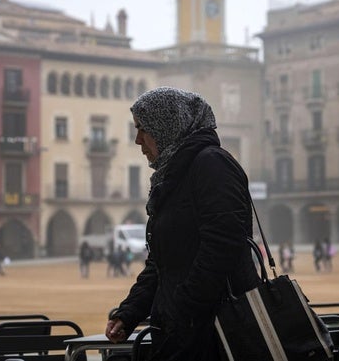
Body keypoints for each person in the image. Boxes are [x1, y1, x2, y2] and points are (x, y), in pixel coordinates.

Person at [104, 87, 259, 361]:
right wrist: (129, 313)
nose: (138, 140)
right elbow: (162, 263)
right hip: (185, 332)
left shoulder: (212, 165)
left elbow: (223, 246)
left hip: (217, 334)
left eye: (143, 128)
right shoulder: (174, 176)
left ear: (167, 125)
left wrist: (184, 307)